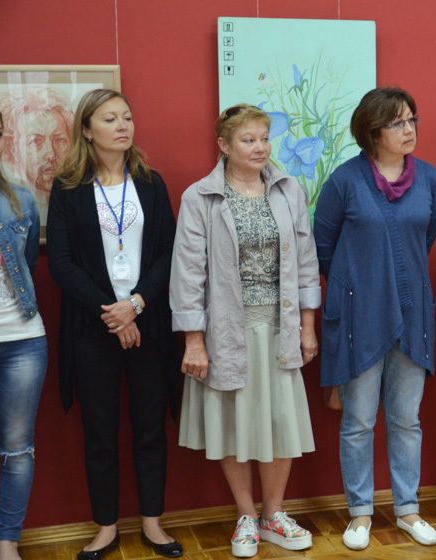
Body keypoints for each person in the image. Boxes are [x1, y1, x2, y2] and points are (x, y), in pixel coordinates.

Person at [171, 104, 319, 557]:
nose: (260, 148)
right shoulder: (201, 197)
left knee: (280, 421)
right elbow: (188, 272)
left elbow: (306, 261)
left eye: (264, 138)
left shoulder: (289, 190)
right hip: (228, 328)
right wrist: (194, 341)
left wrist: (307, 326)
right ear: (224, 145)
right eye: (248, 140)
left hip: (280, 324)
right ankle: (246, 515)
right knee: (235, 422)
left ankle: (274, 514)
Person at [46, 89, 181, 559]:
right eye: (110, 119)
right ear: (87, 130)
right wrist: (113, 310)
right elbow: (61, 263)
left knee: (150, 428)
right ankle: (106, 527)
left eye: (127, 117)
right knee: (100, 432)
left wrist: (136, 304)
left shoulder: (150, 183)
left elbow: (169, 252)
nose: (123, 125)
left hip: (149, 322)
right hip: (93, 327)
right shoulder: (68, 190)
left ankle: (153, 524)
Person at [314, 87, 436, 551]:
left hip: (412, 314)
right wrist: (362, 285)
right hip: (359, 317)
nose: (408, 130)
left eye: (412, 120)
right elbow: (322, 247)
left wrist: (396, 281)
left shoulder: (428, 177)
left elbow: (425, 236)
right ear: (372, 132)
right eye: (397, 123)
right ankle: (360, 513)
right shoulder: (344, 181)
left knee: (407, 420)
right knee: (359, 421)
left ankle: (408, 509)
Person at [0, 109, 47, 560]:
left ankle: (7, 543)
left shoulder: (19, 200)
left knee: (17, 449)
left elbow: (29, 264)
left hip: (22, 339)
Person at [0, 88, 74, 221]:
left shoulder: (25, 201)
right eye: (35, 141)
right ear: (14, 149)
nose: (50, 154)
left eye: (60, 140)